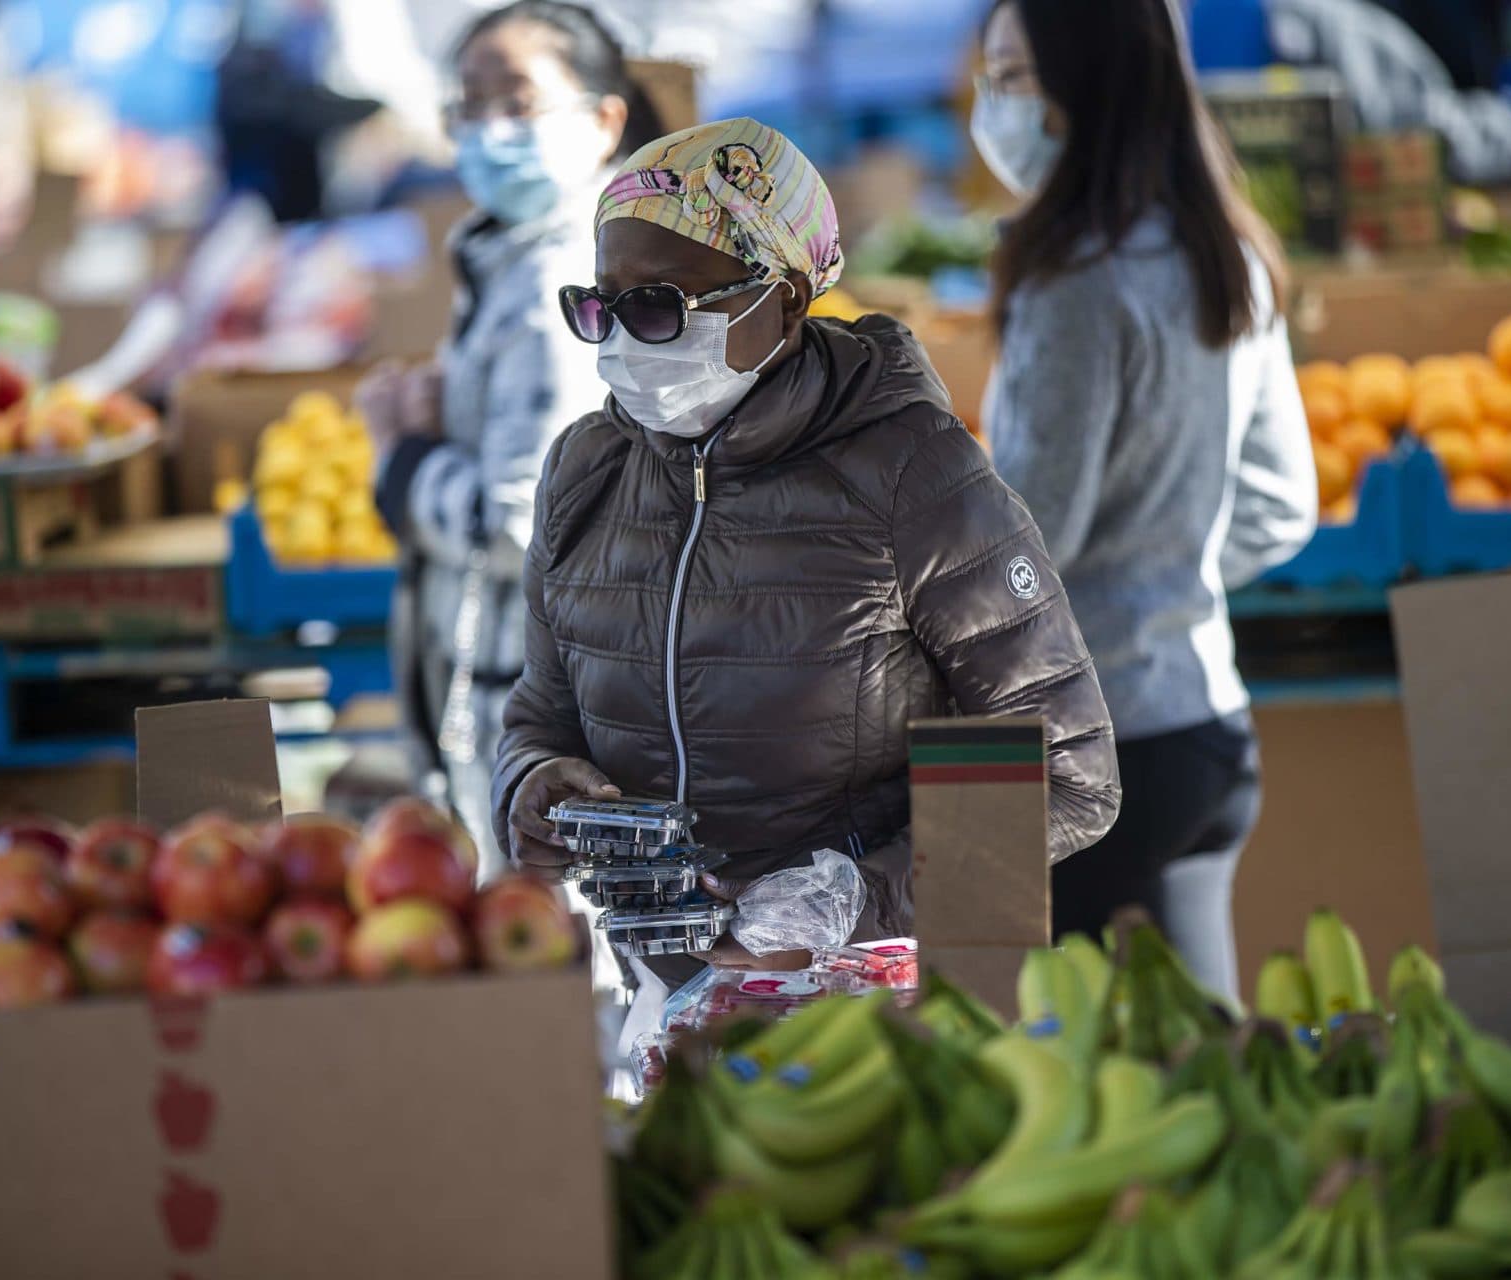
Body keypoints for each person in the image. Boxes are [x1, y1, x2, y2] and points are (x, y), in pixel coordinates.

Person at [492, 118, 1121, 980]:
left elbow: (1069, 774)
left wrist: (857, 896)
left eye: (658, 306)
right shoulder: (583, 470)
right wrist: (530, 785)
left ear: (782, 298)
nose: (623, 340)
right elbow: (539, 714)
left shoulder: (912, 475)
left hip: (872, 992)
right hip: (656, 987)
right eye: (599, 306)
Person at [972, 0, 1317, 998]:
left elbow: (1024, 545)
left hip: (1087, 758)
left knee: (1072, 1085)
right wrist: (1163, 575)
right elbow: (1279, 503)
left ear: (1086, 85)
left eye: (1011, 80)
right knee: (1197, 1088)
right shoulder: (1226, 250)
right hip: (1205, 729)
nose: (990, 109)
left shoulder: (1076, 280)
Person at [363, 1, 660, 872]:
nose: (490, 129)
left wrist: (403, 455)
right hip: (520, 692)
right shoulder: (520, 256)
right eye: (470, 104)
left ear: (605, 119)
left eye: (519, 101)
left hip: (525, 701)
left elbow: (525, 522)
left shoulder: (553, 280)